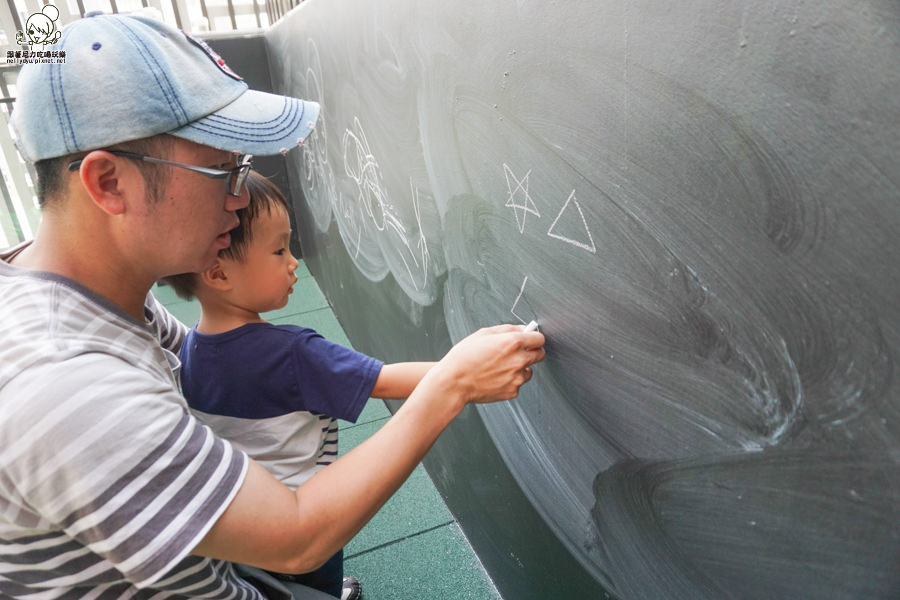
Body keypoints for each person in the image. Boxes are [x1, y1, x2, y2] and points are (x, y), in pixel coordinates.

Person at [0, 12, 545, 600]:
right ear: (109, 183)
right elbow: (295, 537)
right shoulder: (64, 384)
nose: (239, 201)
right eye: (223, 169)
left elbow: (202, 361)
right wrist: (452, 384)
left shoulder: (93, 293)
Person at [164, 171, 436, 598]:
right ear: (217, 274)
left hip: (245, 516)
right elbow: (384, 381)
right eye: (278, 250)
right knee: (315, 577)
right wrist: (461, 367)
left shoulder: (189, 348)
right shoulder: (292, 352)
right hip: (300, 513)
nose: (292, 262)